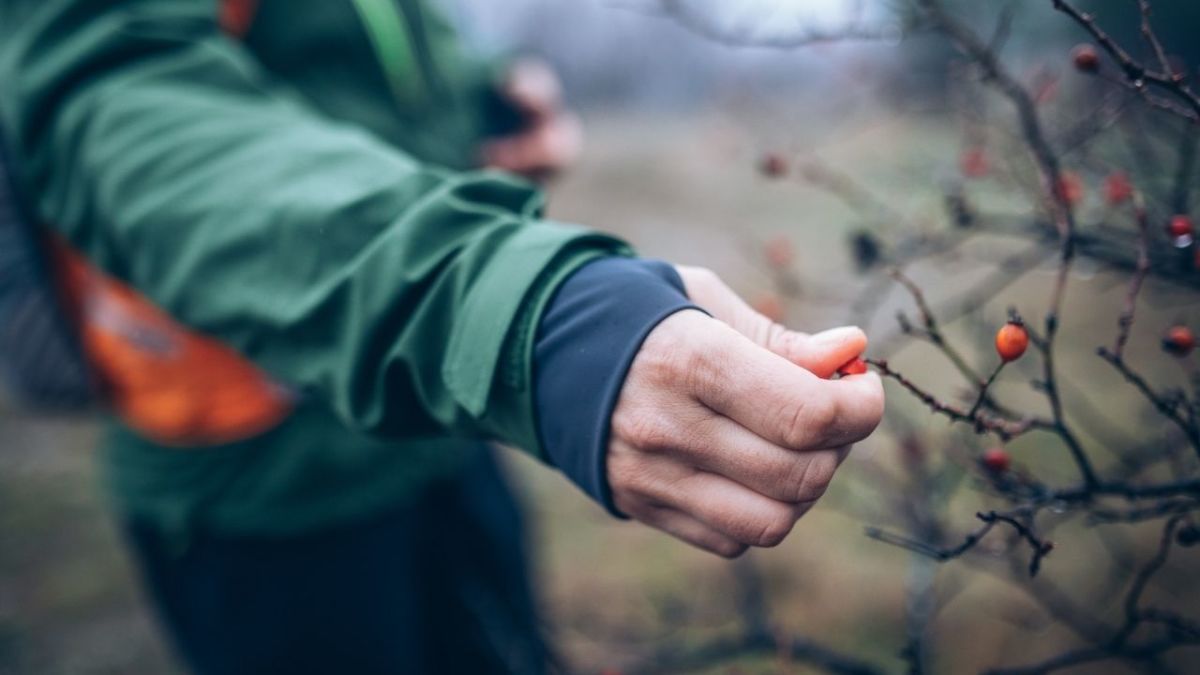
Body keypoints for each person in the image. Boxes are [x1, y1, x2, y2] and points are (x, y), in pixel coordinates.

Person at [0, 0, 885, 673]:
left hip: (437, 423)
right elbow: (125, 106)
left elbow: (339, 48)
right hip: (264, 480)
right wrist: (521, 314)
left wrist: (478, 96)